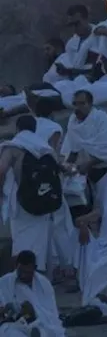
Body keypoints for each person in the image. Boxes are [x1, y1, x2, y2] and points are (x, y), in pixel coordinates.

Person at [0, 116, 75, 274]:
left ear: (17, 129)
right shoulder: (44, 148)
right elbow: (61, 170)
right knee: (40, 243)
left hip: (22, 204)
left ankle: (25, 280)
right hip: (43, 202)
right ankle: (42, 275)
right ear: (35, 129)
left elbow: (1, 170)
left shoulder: (13, 147)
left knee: (22, 242)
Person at [61, 89, 107, 214]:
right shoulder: (73, 122)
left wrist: (88, 164)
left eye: (82, 103)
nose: (78, 107)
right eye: (75, 104)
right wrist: (65, 168)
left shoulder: (101, 119)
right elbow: (73, 151)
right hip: (92, 176)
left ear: (90, 104)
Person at [0, 251, 71, 337]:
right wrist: (8, 310)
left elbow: (51, 314)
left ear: (35, 268)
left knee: (41, 331)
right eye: (21, 271)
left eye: (28, 272)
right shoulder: (3, 282)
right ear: (16, 266)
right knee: (10, 333)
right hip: (12, 323)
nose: (23, 275)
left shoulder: (44, 283)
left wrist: (33, 313)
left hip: (36, 322)